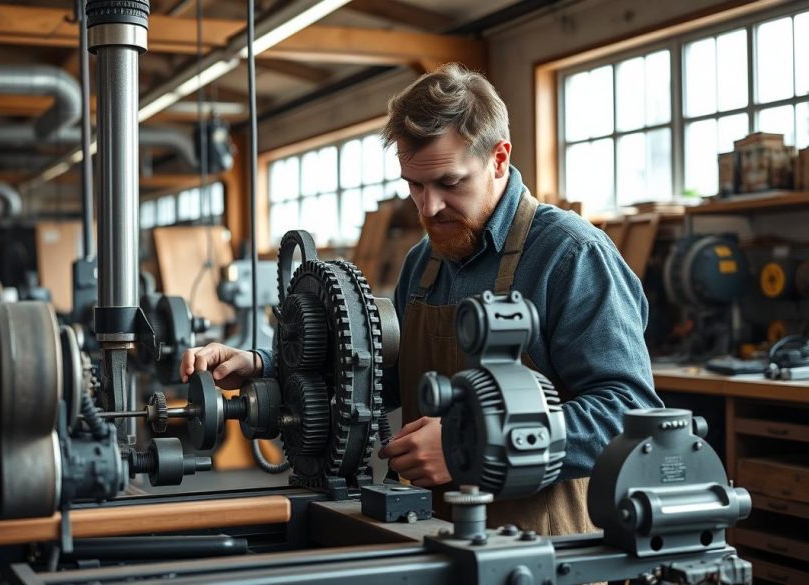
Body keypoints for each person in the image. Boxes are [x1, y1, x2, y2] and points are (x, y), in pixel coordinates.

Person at [179, 63, 660, 535]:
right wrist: (265, 365)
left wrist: (470, 444)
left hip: (542, 546)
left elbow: (627, 412)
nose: (428, 208)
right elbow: (375, 381)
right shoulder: (423, 263)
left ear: (498, 159)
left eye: (449, 183)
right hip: (429, 534)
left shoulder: (569, 255)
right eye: (414, 185)